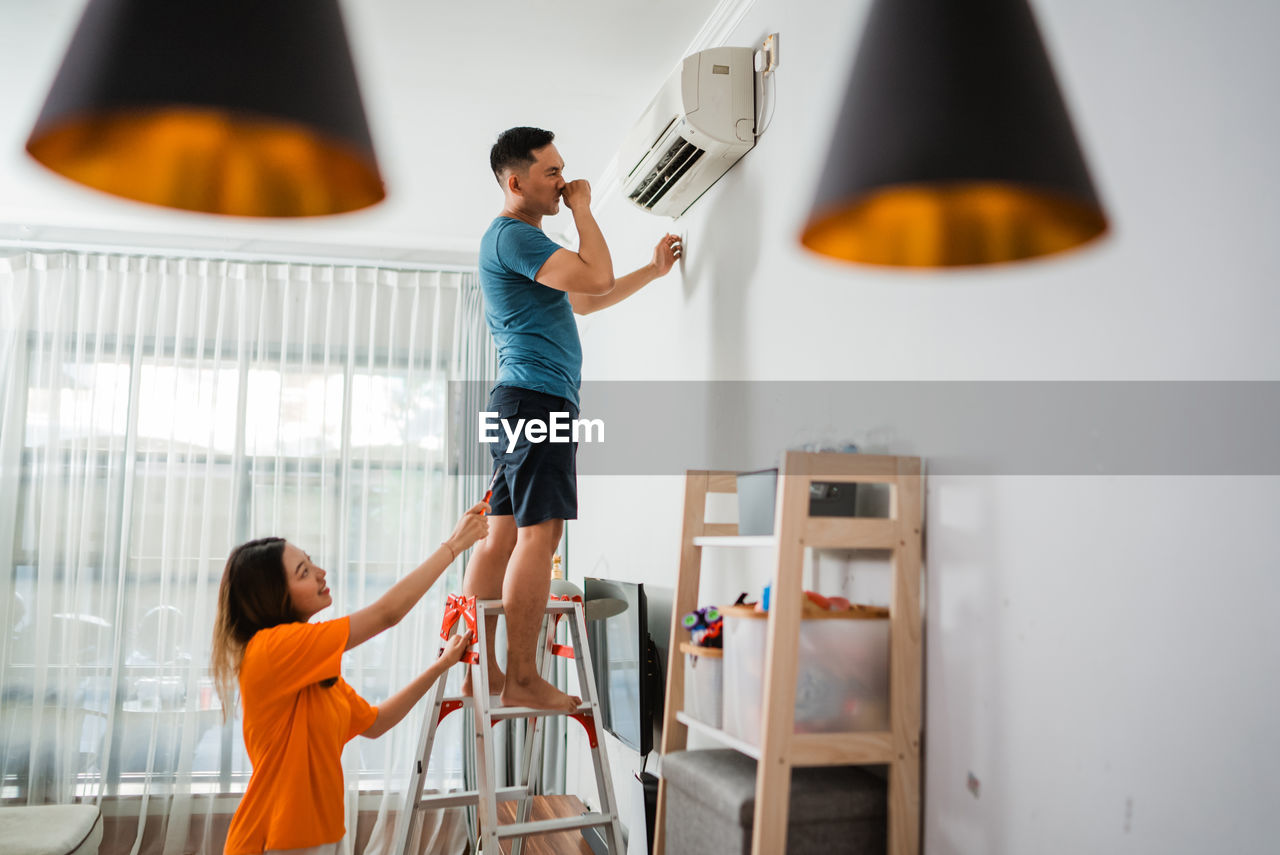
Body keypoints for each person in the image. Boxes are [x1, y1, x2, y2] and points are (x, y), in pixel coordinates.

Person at [465, 126, 681, 712]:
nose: (564, 183)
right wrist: (586, 208)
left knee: (504, 533)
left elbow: (587, 298)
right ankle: (522, 676)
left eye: (564, 172)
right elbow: (595, 276)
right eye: (551, 173)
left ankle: (477, 668)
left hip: (516, 401)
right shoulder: (514, 235)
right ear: (516, 182)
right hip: (537, 401)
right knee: (542, 534)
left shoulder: (519, 243)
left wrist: (653, 273)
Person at [211, 503, 489, 855]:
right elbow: (389, 613)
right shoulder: (270, 650)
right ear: (274, 598)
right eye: (304, 572)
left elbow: (376, 722)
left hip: (318, 840)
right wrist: (453, 546)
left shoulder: (315, 675)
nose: (321, 573)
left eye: (311, 563)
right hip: (271, 842)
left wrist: (441, 665)